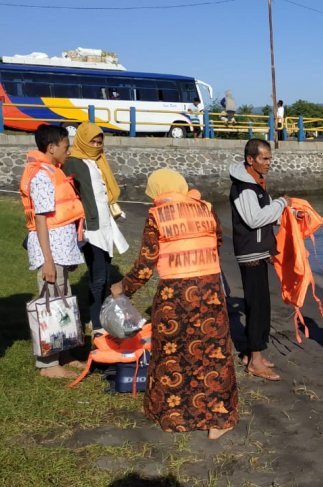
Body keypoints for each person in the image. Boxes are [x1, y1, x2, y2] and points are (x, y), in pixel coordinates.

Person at [110, 169, 238, 440]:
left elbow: (146, 265)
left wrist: (123, 288)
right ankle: (219, 420)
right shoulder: (207, 209)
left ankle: (175, 417)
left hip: (175, 296)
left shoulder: (157, 216)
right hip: (210, 291)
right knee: (213, 355)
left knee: (174, 356)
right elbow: (217, 242)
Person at [19, 125, 85, 378]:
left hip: (60, 251)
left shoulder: (53, 171)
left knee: (62, 303)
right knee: (50, 304)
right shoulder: (42, 176)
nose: (68, 151)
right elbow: (41, 221)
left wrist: (69, 255)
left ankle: (64, 354)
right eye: (66, 147)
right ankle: (48, 364)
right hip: (51, 253)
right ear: (51, 148)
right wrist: (48, 261)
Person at [230, 139, 292, 382]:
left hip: (258, 252)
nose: (269, 163)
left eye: (270, 158)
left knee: (260, 305)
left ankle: (251, 353)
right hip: (250, 254)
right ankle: (255, 361)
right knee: (257, 307)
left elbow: (262, 219)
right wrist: (281, 202)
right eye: (264, 158)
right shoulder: (245, 188)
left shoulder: (255, 184)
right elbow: (254, 220)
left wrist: (284, 215)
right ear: (250, 160)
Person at [63, 122, 129, 335]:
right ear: (83, 139)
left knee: (105, 273)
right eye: (92, 141)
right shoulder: (72, 162)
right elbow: (67, 192)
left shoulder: (100, 159)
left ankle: (99, 315)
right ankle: (96, 322)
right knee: (98, 275)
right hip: (89, 226)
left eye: (100, 141)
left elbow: (105, 191)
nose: (96, 145)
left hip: (105, 223)